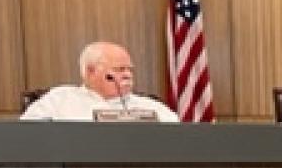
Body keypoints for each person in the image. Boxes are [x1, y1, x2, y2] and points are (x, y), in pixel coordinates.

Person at [21, 42, 180, 122]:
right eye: (119, 69)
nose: (127, 75)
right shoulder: (59, 100)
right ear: (91, 71)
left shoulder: (151, 106)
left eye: (130, 69)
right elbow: (28, 135)